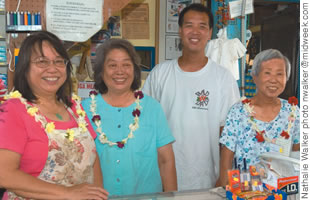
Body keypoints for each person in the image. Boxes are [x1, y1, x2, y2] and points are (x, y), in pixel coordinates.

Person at [0, 31, 108, 200]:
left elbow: (93, 162)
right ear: (25, 67)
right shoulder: (13, 109)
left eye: (59, 61)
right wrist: (67, 193)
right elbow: (4, 174)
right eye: (42, 62)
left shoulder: (74, 107)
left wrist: (98, 194)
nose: (52, 69)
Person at [142, 3, 240, 191]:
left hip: (207, 182)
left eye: (202, 26)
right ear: (180, 30)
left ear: (210, 32)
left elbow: (229, 133)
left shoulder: (223, 78)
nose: (195, 32)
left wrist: (223, 177)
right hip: (162, 178)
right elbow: (145, 124)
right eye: (189, 25)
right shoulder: (160, 73)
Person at [81, 38, 177, 196]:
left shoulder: (152, 108)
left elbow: (166, 161)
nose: (120, 71)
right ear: (101, 71)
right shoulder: (84, 110)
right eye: (112, 65)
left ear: (135, 70)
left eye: (126, 65)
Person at [216, 49, 300, 186]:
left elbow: (299, 156)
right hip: (245, 192)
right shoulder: (238, 112)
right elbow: (226, 162)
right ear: (254, 76)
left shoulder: (293, 112)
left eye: (280, 74)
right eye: (267, 73)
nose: (274, 80)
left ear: (286, 78)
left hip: (282, 192)